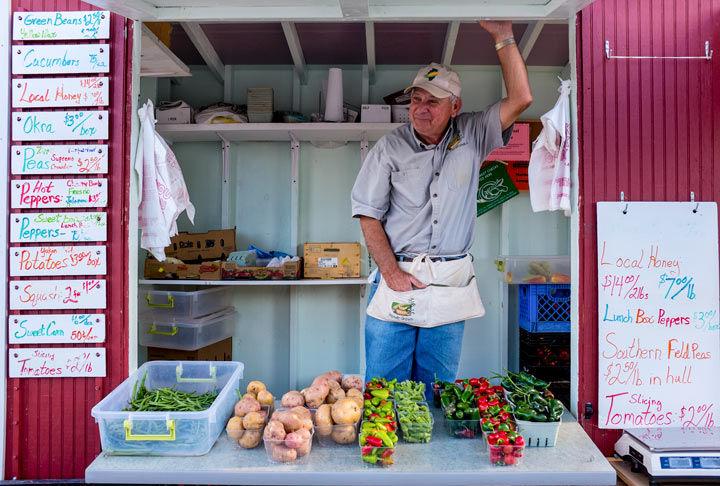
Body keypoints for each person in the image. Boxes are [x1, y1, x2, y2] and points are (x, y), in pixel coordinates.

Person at [351, 21, 533, 399]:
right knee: (384, 388)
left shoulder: (474, 134)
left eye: (432, 101)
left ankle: (429, 456)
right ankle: (387, 456)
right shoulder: (389, 148)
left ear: (455, 106)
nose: (420, 108)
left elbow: (521, 99)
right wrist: (390, 272)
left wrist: (503, 37)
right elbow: (368, 215)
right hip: (399, 273)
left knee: (438, 389)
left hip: (450, 278)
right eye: (416, 99)